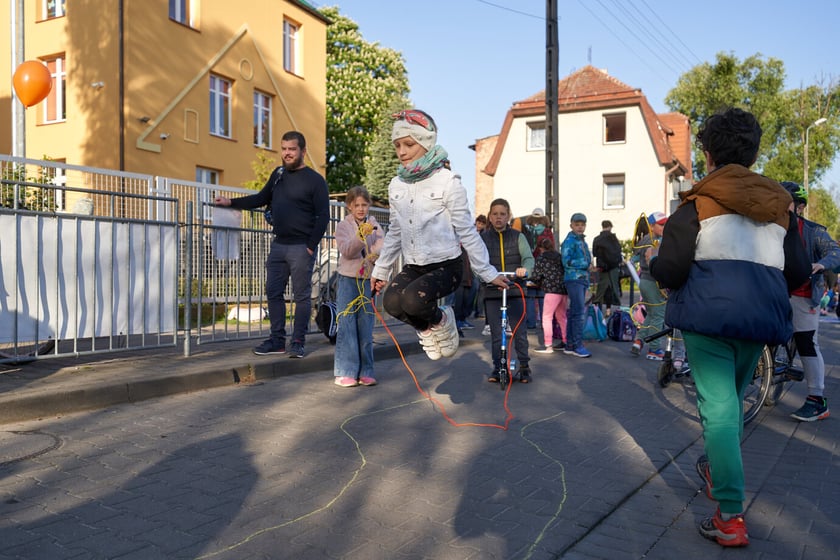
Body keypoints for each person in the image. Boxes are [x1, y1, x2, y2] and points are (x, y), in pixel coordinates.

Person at [649, 107, 810, 548]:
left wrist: (654, 265)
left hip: (709, 315)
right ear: (754, 153)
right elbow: (796, 270)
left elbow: (674, 268)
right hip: (761, 320)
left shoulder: (696, 200)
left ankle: (730, 516)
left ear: (707, 151)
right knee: (731, 406)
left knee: (718, 413)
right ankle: (715, 467)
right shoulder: (780, 205)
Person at [370, 109, 507, 361]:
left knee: (412, 301)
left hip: (446, 266)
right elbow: (395, 232)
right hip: (415, 265)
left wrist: (487, 273)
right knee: (391, 303)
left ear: (426, 143)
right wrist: (381, 270)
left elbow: (467, 231)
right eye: (397, 145)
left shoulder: (447, 182)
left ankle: (443, 320)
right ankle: (429, 329)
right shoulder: (396, 185)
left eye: (409, 144)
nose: (401, 151)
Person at [214, 131, 329, 358]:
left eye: (292, 149)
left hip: (300, 248)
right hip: (278, 246)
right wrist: (230, 202)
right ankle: (277, 340)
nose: (287, 153)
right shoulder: (278, 175)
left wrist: (310, 245)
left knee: (302, 296)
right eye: (284, 148)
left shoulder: (315, 181)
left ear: (303, 152)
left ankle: (297, 341)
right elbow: (260, 198)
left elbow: (323, 216)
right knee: (273, 293)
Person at [781, 181, 840, 421]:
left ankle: (817, 400)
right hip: (776, 292)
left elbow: (836, 252)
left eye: (785, 203)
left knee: (806, 342)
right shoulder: (770, 228)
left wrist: (821, 264)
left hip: (804, 295)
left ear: (800, 207)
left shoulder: (813, 231)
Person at [333, 187, 384, 387]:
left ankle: (366, 370)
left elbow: (382, 246)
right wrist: (360, 237)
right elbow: (347, 251)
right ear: (349, 206)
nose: (361, 209)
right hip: (347, 279)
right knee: (347, 325)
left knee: (365, 325)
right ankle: (346, 370)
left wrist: (374, 253)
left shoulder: (374, 224)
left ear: (368, 206)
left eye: (364, 205)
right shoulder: (343, 226)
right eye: (357, 205)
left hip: (367, 279)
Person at [480, 198, 535, 382]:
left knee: (519, 331)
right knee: (497, 333)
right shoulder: (483, 238)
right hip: (493, 291)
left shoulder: (518, 236)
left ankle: (524, 366)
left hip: (514, 290)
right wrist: (486, 276)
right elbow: (478, 263)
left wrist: (524, 270)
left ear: (508, 216)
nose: (498, 217)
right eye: (495, 214)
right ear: (490, 216)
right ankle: (499, 367)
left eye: (502, 214)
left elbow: (528, 258)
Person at [631, 212, 669, 360]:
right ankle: (654, 349)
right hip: (654, 282)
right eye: (661, 224)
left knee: (652, 314)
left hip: (644, 281)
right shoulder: (656, 241)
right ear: (651, 226)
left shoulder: (645, 239)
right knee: (659, 315)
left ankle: (639, 341)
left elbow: (633, 258)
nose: (664, 227)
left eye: (666, 224)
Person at [512, 207, 554, 329]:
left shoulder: (525, 230)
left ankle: (531, 322)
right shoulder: (547, 232)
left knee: (530, 296)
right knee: (542, 295)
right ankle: (544, 323)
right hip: (544, 267)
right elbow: (552, 249)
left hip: (529, 265)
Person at [560, 212, 592, 358]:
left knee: (575, 312)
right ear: (571, 225)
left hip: (582, 279)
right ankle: (577, 345)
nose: (580, 227)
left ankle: (571, 344)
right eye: (577, 225)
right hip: (574, 279)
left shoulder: (582, 241)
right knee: (578, 313)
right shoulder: (570, 241)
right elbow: (566, 261)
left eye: (582, 225)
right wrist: (586, 264)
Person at [531, 237, 567, 353]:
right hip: (563, 290)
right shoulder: (559, 256)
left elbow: (536, 276)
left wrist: (534, 281)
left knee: (546, 317)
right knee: (562, 317)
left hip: (551, 290)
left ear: (541, 248)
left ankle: (548, 345)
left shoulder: (541, 258)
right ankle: (566, 342)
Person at [591, 220, 623, 317]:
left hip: (603, 268)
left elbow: (595, 253)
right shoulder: (614, 239)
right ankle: (612, 311)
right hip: (613, 268)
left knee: (601, 289)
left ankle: (596, 312)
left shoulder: (597, 239)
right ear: (610, 227)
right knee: (613, 289)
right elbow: (618, 252)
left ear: (602, 226)